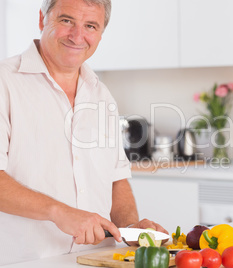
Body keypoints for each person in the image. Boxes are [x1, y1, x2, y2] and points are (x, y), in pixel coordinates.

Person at [0, 0, 167, 265]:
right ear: (43, 19)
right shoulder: (5, 82)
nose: (78, 36)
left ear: (100, 34)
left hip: (98, 257)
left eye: (90, 25)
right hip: (25, 260)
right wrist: (59, 212)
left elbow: (116, 179)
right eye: (66, 21)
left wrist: (132, 228)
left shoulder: (101, 95)